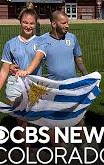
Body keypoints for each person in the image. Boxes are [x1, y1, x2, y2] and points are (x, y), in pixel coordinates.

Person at [16, 10, 88, 147]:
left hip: (72, 86)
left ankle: (83, 144)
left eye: (68, 23)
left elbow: (78, 58)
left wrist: (85, 73)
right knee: (52, 119)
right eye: (64, 23)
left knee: (78, 116)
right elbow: (31, 57)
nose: (67, 26)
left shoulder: (72, 38)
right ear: (54, 24)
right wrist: (16, 67)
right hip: (52, 88)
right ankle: (58, 146)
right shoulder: (42, 40)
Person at [0, 3, 41, 149]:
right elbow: (4, 70)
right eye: (25, 22)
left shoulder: (41, 42)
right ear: (20, 22)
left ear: (36, 24)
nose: (28, 26)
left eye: (32, 23)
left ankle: (56, 146)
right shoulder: (10, 44)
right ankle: (28, 149)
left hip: (35, 86)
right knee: (21, 120)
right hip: (16, 86)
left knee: (40, 118)